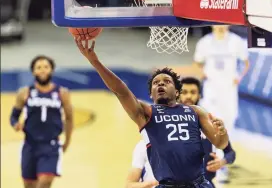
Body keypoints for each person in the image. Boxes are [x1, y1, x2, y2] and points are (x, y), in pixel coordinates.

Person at [75, 38, 229, 188]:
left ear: (177, 92)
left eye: (167, 81)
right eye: (156, 83)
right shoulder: (146, 113)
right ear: (151, 94)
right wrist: (95, 61)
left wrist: (223, 133)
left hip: (199, 184)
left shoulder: (195, 111)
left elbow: (220, 143)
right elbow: (120, 90)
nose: (160, 83)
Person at [125, 77, 236, 188]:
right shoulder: (157, 134)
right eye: (185, 92)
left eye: (193, 92)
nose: (188, 96)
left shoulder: (209, 126)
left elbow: (230, 152)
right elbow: (129, 184)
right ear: (176, 94)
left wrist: (222, 161)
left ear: (199, 96)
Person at [193, 25, 249, 182]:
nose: (220, 25)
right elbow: (197, 62)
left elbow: (246, 63)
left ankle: (222, 161)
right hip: (211, 90)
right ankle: (207, 158)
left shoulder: (236, 41)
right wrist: (205, 74)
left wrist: (239, 77)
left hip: (229, 91)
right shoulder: (204, 42)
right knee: (208, 124)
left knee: (228, 124)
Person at [10, 55, 73, 188]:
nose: (43, 70)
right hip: (30, 145)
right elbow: (13, 116)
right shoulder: (25, 92)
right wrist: (16, 124)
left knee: (45, 182)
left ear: (52, 70)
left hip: (51, 146)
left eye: (46, 67)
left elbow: (69, 118)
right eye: (39, 67)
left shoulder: (62, 93)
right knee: (29, 185)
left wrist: (67, 141)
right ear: (33, 71)